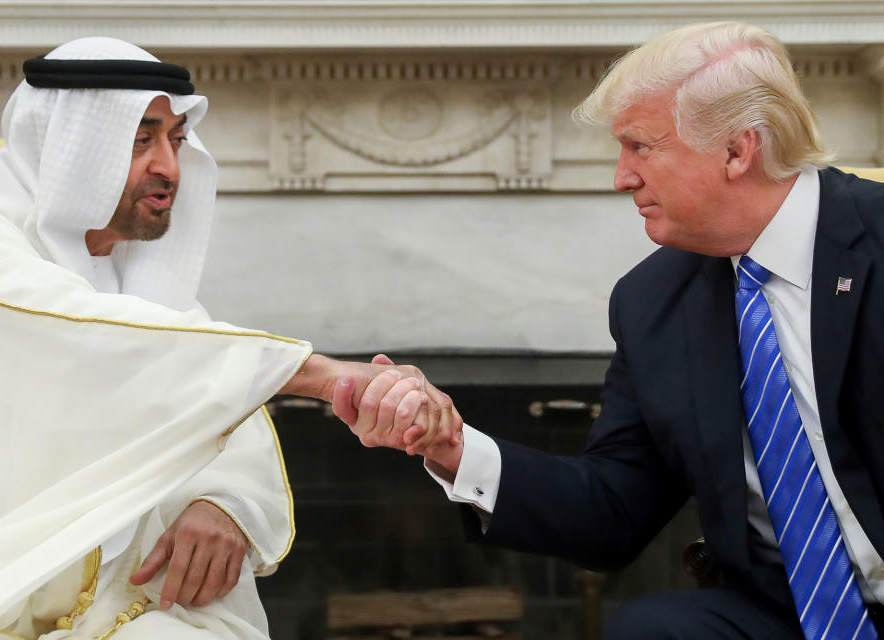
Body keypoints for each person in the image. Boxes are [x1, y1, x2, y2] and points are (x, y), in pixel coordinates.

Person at [335, 21, 884, 640]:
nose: (621, 177)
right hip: (783, 611)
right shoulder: (653, 302)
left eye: (641, 147)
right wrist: (450, 444)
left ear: (738, 150)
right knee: (651, 629)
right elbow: (613, 508)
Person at [0, 37, 459, 640]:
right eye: (140, 140)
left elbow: (231, 412)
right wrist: (330, 376)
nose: (169, 167)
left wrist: (222, 502)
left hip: (120, 605)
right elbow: (92, 343)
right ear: (64, 147)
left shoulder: (149, 299)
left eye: (177, 140)